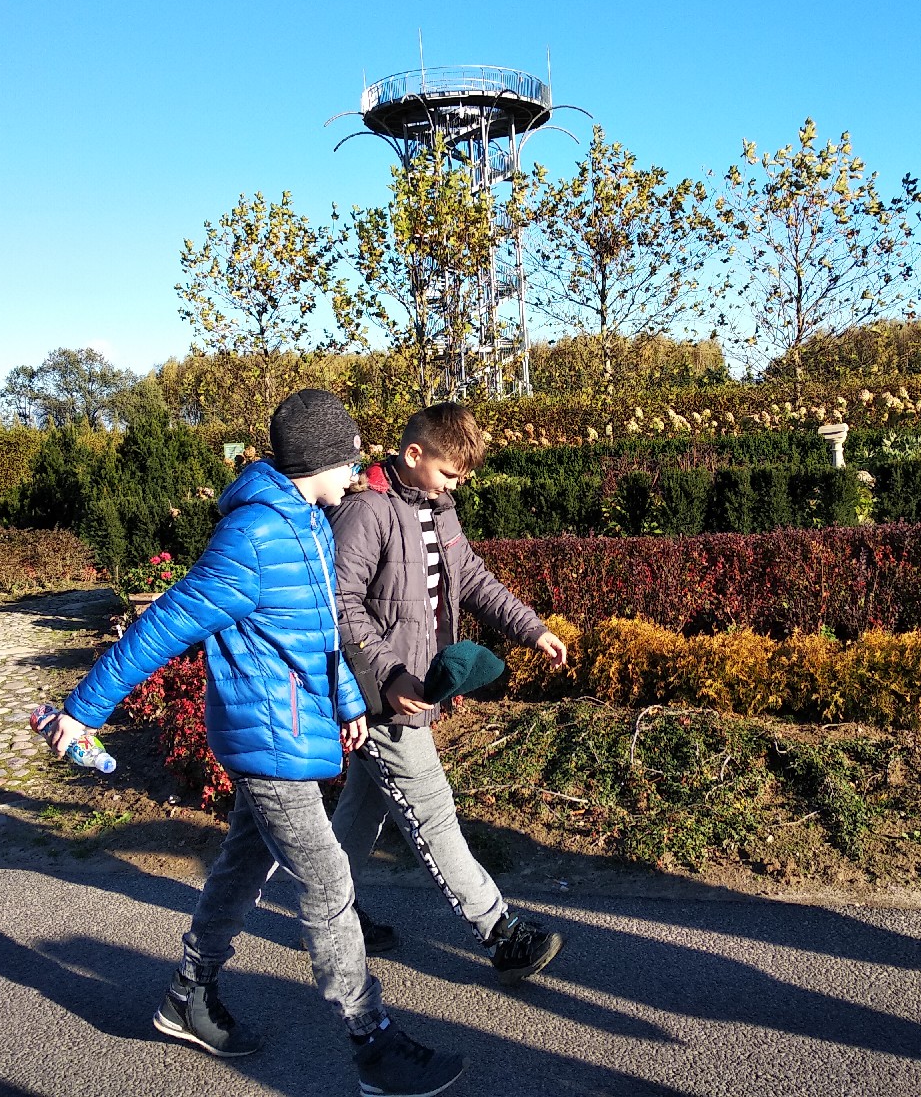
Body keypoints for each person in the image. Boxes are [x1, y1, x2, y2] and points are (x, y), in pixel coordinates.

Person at [43, 389, 464, 1097]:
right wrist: (84, 711)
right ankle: (372, 1042)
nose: (358, 470)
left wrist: (345, 701)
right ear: (319, 460)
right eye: (350, 458)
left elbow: (319, 631)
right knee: (328, 881)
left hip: (292, 727)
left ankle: (189, 995)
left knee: (244, 864)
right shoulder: (253, 538)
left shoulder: (310, 523)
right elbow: (164, 624)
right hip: (267, 736)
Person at [327, 402, 569, 983]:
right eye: (449, 473)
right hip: (384, 694)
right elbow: (338, 603)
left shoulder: (438, 508)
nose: (455, 485)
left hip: (415, 687)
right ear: (413, 454)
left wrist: (531, 629)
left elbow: (473, 579)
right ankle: (500, 931)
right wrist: (388, 674)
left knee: (362, 808)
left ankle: (333, 915)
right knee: (432, 814)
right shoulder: (367, 510)